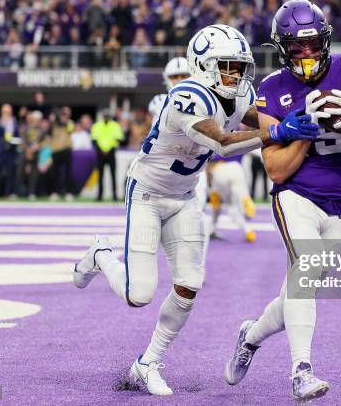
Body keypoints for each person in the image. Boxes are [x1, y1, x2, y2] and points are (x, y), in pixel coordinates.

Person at [73, 24, 319, 396]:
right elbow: (222, 143)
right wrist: (279, 132)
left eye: (240, 67)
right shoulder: (185, 96)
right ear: (204, 65)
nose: (235, 75)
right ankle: (101, 254)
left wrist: (300, 117)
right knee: (138, 294)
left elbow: (258, 119)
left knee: (189, 286)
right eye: (227, 66)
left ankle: (147, 363)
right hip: (148, 195)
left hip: (185, 197)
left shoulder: (238, 94)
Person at [223, 0, 341, 402]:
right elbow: (277, 171)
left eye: (313, 44)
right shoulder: (271, 89)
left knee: (297, 292)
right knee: (305, 271)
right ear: (282, 48)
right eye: (296, 47)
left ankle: (249, 336)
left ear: (326, 40)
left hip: (339, 204)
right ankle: (301, 371)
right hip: (296, 196)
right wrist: (301, 131)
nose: (306, 54)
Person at [207, 157, 256, 242]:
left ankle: (212, 229)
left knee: (224, 205)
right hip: (236, 168)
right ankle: (247, 208)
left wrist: (210, 183)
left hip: (219, 169)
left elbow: (208, 163)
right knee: (242, 199)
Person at [91, 109, 123, 201]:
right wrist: (101, 149)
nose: (106, 117)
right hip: (100, 153)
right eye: (105, 116)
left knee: (113, 174)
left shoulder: (115, 125)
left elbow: (118, 139)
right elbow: (94, 139)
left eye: (107, 116)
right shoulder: (97, 125)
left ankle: (114, 195)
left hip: (111, 152)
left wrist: (109, 149)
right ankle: (99, 196)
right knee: (100, 175)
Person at [0, 104, 20, 200]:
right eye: (5, 112)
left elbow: (16, 134)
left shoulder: (14, 121)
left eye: (8, 112)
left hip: (11, 151)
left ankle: (8, 194)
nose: (7, 114)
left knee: (11, 173)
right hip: (1, 151)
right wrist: (4, 123)